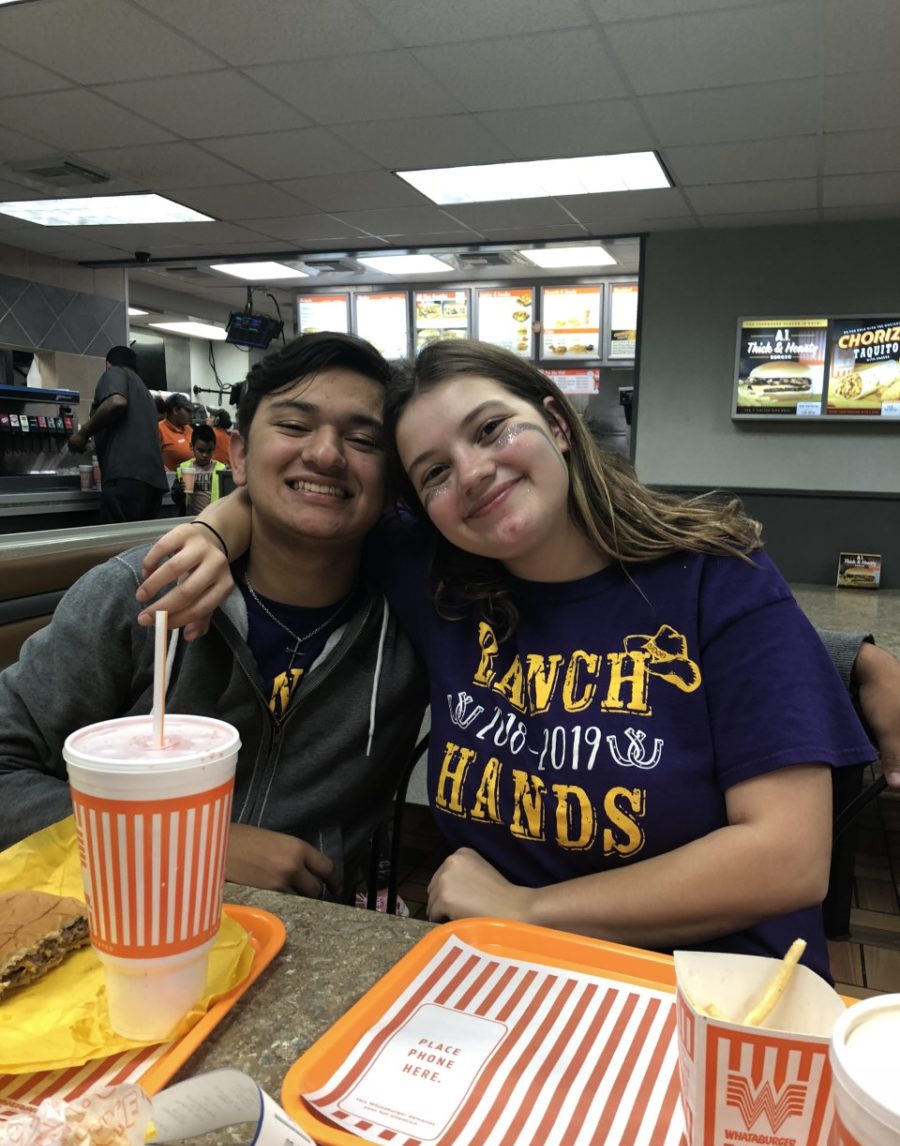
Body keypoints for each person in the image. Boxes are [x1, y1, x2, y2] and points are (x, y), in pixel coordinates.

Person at [137, 341, 880, 981]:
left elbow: (787, 856)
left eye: (491, 430)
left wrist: (529, 911)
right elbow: (308, 503)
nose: (471, 473)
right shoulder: (437, 577)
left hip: (707, 1000)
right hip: (506, 985)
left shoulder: (719, 577)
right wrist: (213, 526)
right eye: (432, 472)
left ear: (556, 422)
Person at [0, 332, 427, 902]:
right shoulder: (139, 593)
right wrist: (192, 842)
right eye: (295, 426)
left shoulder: (417, 618)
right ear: (240, 455)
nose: (326, 453)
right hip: (113, 934)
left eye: (362, 438)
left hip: (302, 952)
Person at [67, 345, 168, 523]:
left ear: (108, 364)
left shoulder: (115, 373)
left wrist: (82, 434)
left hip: (125, 479)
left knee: (119, 545)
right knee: (141, 545)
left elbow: (116, 402)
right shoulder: (144, 391)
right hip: (152, 482)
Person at [172, 424, 228, 516]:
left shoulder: (221, 469)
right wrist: (179, 491)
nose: (205, 455)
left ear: (214, 449)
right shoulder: (185, 468)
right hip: (189, 519)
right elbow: (176, 499)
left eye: (209, 451)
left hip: (212, 519)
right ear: (191, 447)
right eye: (201, 450)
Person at [158, 393, 194, 470]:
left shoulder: (189, 429)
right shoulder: (159, 429)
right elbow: (151, 458)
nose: (191, 415)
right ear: (175, 411)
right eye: (187, 410)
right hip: (172, 479)